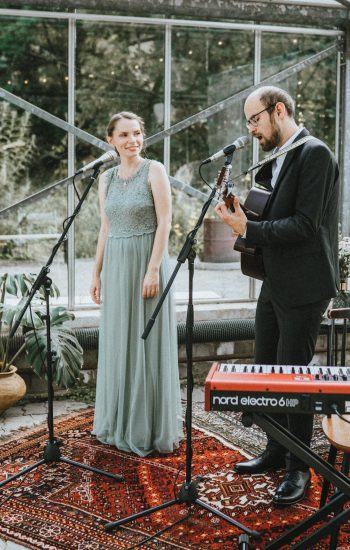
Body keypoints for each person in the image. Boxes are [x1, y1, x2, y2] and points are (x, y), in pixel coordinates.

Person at [215, 86, 339, 506]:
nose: (250, 129)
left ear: (279, 110)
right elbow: (270, 210)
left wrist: (246, 230)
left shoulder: (315, 153)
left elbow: (306, 224)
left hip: (305, 284)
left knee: (293, 377)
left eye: (254, 120)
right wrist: (240, 212)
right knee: (266, 367)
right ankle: (274, 449)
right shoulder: (276, 155)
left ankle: (299, 468)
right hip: (274, 279)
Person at [90, 111, 183, 457]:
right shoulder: (106, 179)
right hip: (116, 264)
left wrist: (153, 269)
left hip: (146, 260)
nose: (133, 140)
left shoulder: (154, 170)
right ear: (110, 140)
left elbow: (165, 221)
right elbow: (105, 227)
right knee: (119, 340)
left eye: (138, 133)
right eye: (125, 135)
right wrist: (96, 272)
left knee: (146, 341)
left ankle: (149, 425)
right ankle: (118, 420)